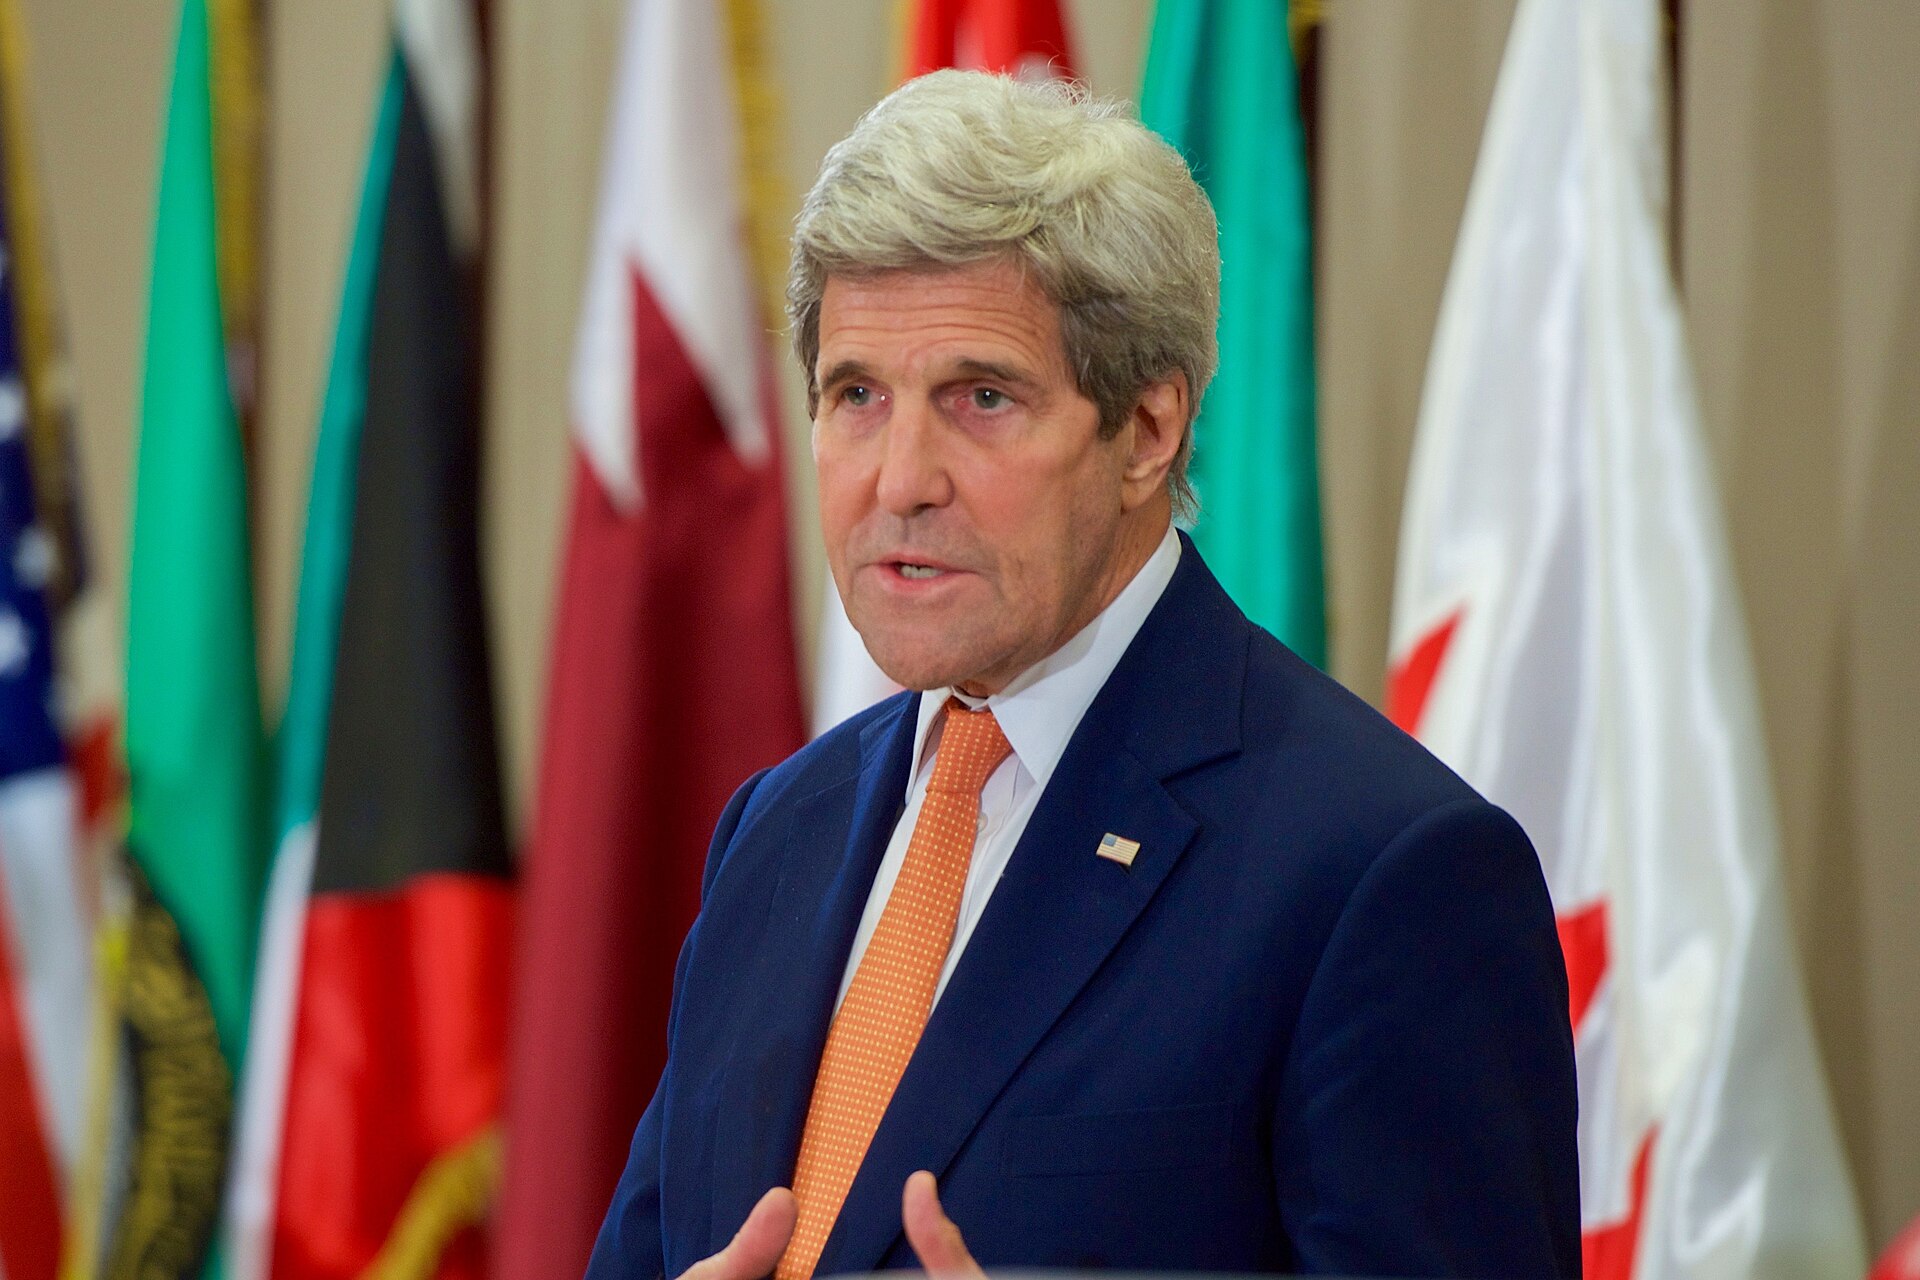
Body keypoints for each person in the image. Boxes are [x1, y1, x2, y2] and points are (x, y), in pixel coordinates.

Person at [585, 70, 1578, 1280]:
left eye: (981, 397)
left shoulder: (1382, 874)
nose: (900, 479)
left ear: (1149, 429)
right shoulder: (775, 830)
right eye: (857, 395)